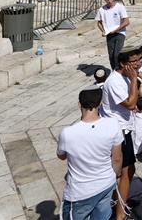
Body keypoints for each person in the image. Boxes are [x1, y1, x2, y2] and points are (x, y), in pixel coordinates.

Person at [57, 86, 123, 220]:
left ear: (79, 104)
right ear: (101, 102)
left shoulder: (67, 133)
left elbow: (61, 156)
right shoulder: (113, 125)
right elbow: (117, 158)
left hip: (79, 192)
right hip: (106, 183)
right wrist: (117, 175)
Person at [99, 48, 142, 217]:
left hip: (124, 128)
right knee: (124, 171)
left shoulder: (127, 76)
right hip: (117, 132)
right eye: (134, 61)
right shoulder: (115, 81)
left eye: (140, 59)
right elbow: (130, 104)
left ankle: (120, 203)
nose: (138, 64)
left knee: (129, 170)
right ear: (123, 64)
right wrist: (133, 79)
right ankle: (120, 214)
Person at [96, 0, 130, 70]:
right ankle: (114, 70)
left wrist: (116, 30)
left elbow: (126, 22)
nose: (109, 1)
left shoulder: (120, 7)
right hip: (109, 34)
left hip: (120, 33)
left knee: (117, 54)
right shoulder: (102, 9)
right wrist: (103, 30)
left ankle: (121, 70)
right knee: (111, 56)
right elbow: (99, 22)